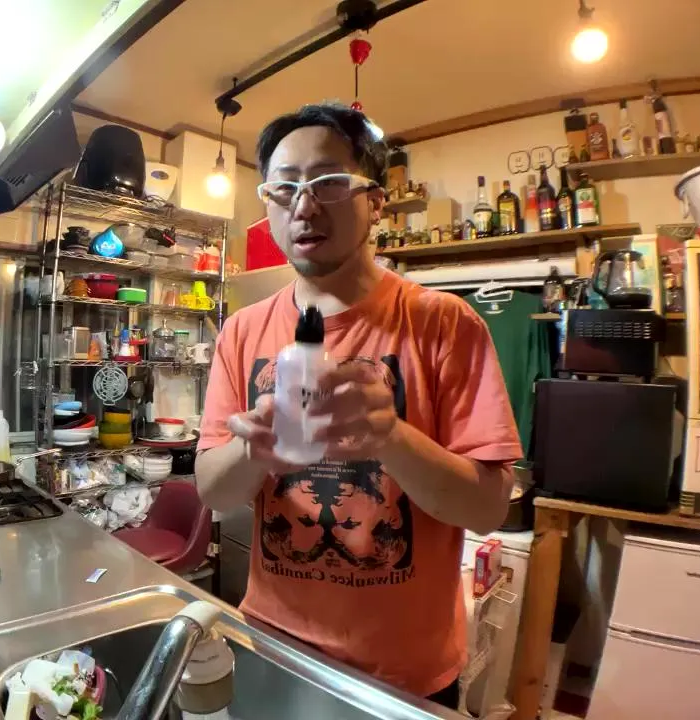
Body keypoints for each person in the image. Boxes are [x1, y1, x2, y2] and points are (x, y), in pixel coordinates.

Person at [195, 103, 522, 709]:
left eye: (328, 182)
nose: (303, 206)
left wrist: (389, 436)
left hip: (404, 675)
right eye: (285, 187)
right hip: (273, 645)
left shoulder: (445, 324)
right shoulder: (241, 331)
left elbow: (487, 509)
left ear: (376, 202)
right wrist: (253, 448)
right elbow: (214, 492)